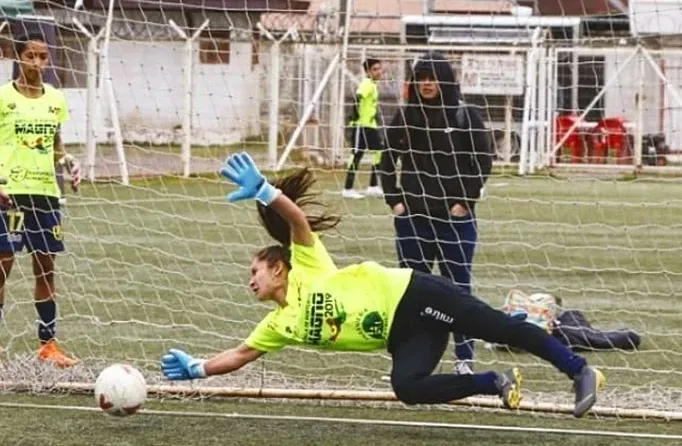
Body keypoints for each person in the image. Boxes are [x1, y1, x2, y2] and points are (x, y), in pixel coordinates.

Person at [160, 152, 605, 417]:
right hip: (404, 334)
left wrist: (264, 191)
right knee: (406, 387)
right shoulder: (278, 325)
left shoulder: (308, 265)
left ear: (278, 268)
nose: (249, 281)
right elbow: (238, 355)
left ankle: (579, 370)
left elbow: (295, 218)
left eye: (253, 271)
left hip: (413, 295)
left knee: (499, 328)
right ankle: (493, 382)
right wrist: (197, 369)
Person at [379, 52, 493, 374]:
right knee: (411, 293)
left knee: (459, 289)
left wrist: (463, 203)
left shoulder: (465, 115)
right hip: (413, 221)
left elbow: (483, 161)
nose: (427, 84)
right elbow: (387, 161)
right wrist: (396, 202)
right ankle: (409, 361)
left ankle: (465, 360)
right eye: (421, 78)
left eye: (433, 77)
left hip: (455, 222)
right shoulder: (406, 116)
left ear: (445, 81)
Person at [0, 31, 82, 367]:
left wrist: (69, 163)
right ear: (18, 58)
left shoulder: (55, 100)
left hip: (46, 195)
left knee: (46, 271)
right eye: (31, 56)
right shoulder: (3, 98)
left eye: (43, 57)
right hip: (9, 195)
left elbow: (56, 148)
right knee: (1, 271)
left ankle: (48, 345)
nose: (38, 63)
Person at [342, 58, 384, 200]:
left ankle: (373, 186)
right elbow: (358, 97)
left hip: (370, 126)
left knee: (379, 152)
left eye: (379, 68)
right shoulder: (366, 83)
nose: (379, 72)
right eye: (375, 69)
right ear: (368, 71)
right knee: (356, 155)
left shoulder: (373, 85)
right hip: (362, 126)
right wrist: (355, 115)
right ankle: (347, 189)